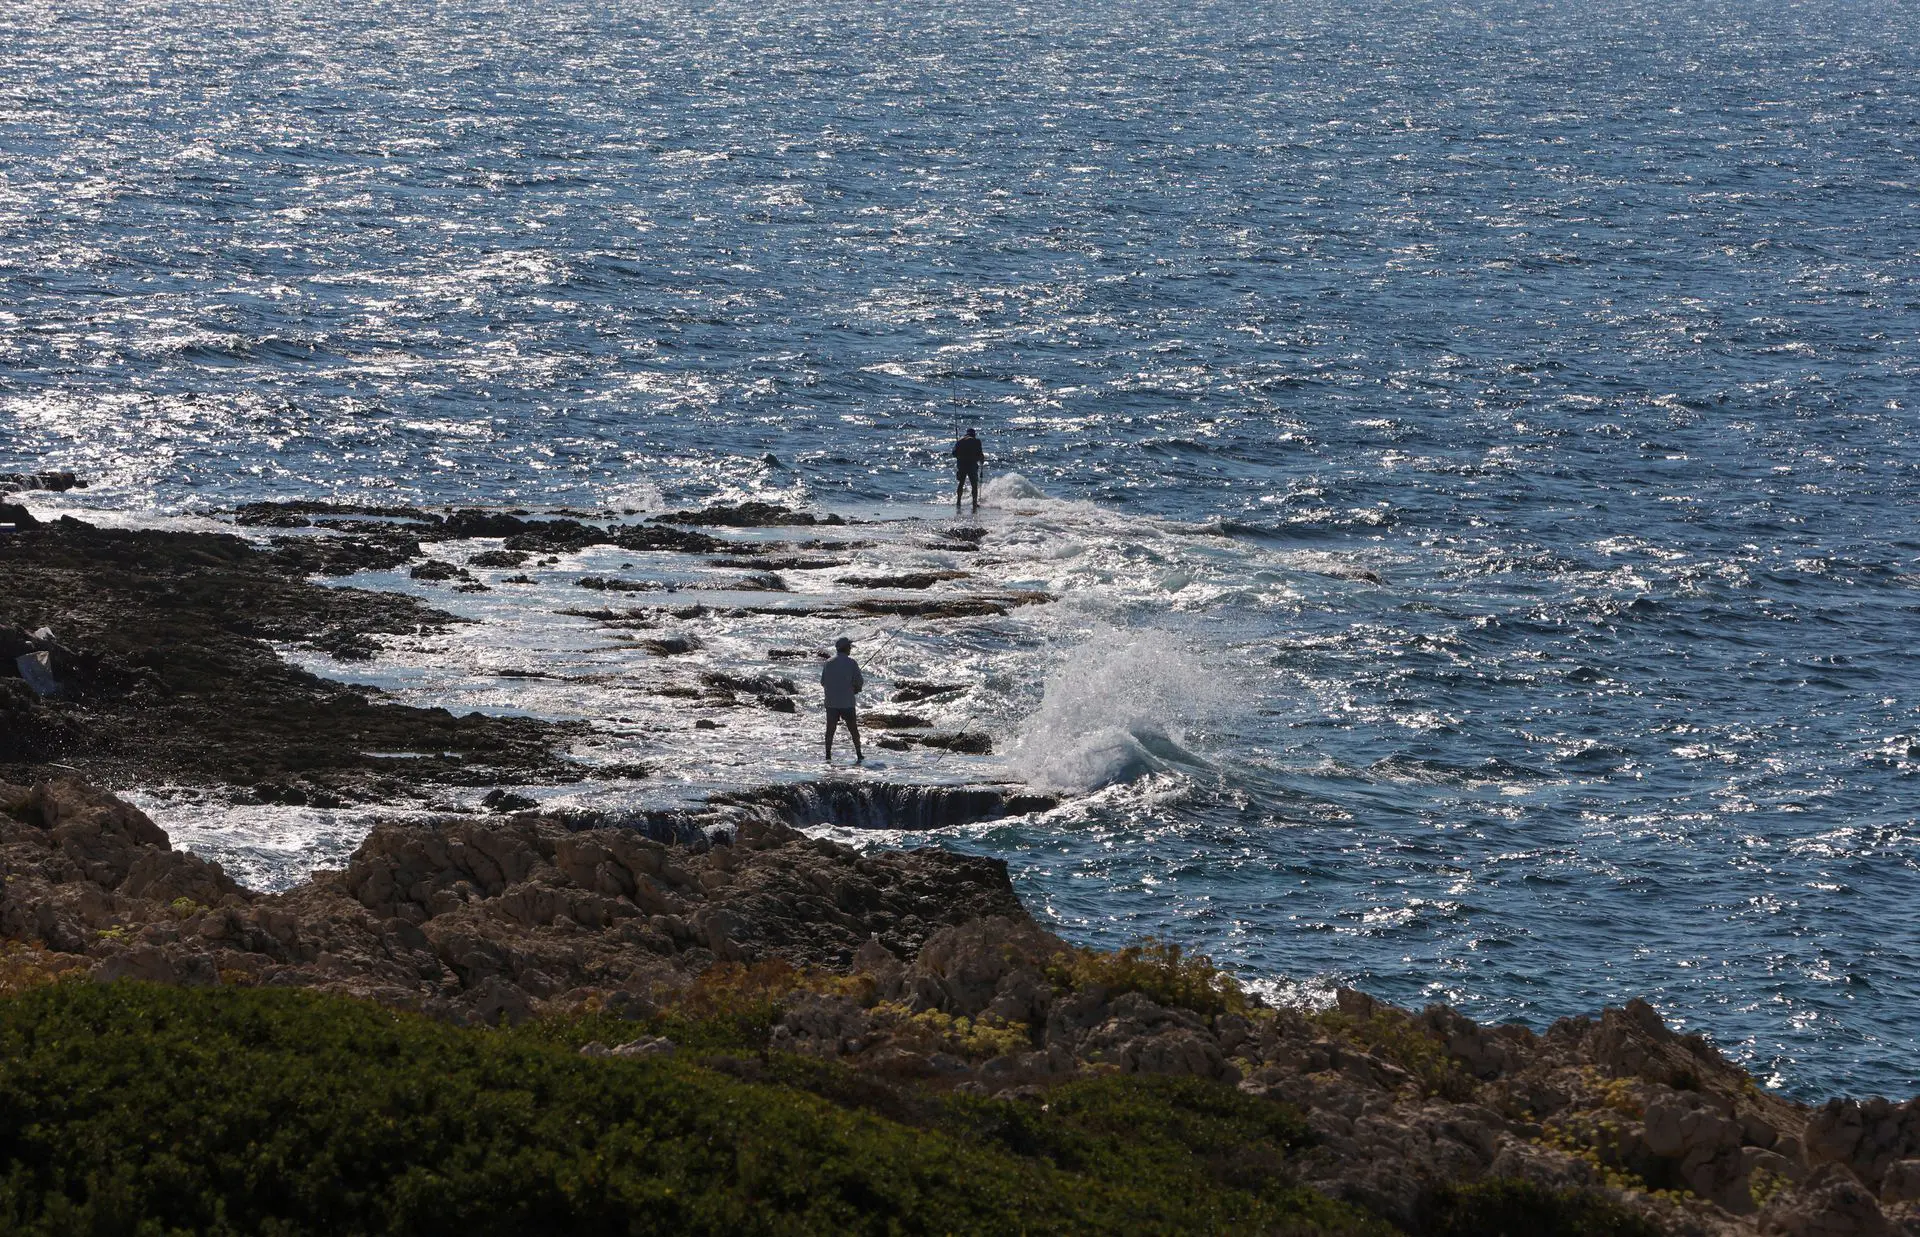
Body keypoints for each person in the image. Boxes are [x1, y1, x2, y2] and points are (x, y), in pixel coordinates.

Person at [821, 635, 864, 762]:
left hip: (831, 703)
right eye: (849, 646)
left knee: (830, 730)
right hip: (847, 703)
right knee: (853, 729)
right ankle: (859, 753)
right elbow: (859, 682)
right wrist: (855, 689)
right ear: (846, 648)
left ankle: (828, 755)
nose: (850, 648)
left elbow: (823, 682)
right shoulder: (852, 663)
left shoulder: (828, 663)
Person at [952, 427, 984, 514]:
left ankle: (958, 501)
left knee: (961, 483)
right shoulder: (976, 441)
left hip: (962, 465)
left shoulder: (960, 441)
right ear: (974, 434)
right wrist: (982, 463)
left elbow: (954, 453)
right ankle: (974, 503)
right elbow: (980, 454)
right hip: (972, 465)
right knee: (974, 485)